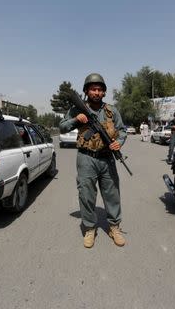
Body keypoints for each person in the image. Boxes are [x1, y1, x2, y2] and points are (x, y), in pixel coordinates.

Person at [59, 73, 127, 248]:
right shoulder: (77, 109)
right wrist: (76, 119)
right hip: (86, 158)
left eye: (99, 89)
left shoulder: (112, 111)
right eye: (93, 89)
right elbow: (63, 127)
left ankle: (114, 227)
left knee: (112, 195)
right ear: (87, 91)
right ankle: (90, 228)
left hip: (107, 159)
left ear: (104, 92)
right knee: (86, 194)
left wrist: (118, 143)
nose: (96, 92)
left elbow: (122, 131)